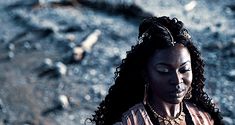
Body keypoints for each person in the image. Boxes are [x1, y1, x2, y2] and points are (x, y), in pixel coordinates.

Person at [90, 16, 223, 125]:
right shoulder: (131, 122)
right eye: (164, 71)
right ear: (145, 74)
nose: (177, 80)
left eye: (184, 70)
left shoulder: (203, 119)